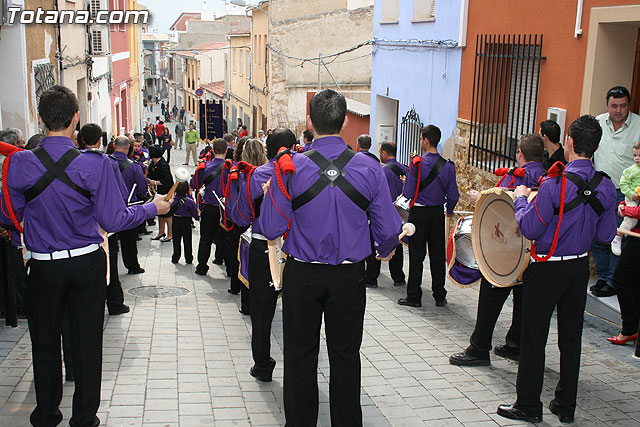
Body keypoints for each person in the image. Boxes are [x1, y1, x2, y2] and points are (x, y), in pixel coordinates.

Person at [0, 85, 171, 427]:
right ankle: (84, 418)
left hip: (43, 267)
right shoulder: (96, 165)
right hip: (86, 263)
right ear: (76, 119)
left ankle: (46, 414)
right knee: (88, 344)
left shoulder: (18, 162)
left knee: (44, 344)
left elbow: (8, 215)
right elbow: (114, 219)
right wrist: (151, 208)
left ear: (40, 118)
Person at [258, 89, 401, 426]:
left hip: (303, 276)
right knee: (346, 357)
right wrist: (385, 248)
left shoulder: (291, 167)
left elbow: (269, 225)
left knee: (300, 357)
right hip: (349, 278)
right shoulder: (369, 167)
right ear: (346, 121)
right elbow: (388, 229)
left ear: (310, 121)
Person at [497, 115, 617, 424]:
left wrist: (521, 200)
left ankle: (528, 405)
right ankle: (565, 406)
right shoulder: (605, 185)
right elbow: (605, 237)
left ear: (571, 143)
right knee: (571, 340)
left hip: (547, 269)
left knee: (534, 339)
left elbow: (531, 228)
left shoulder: (554, 183)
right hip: (579, 270)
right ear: (597, 146)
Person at [449, 134, 546, 367]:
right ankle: (516, 345)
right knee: (523, 300)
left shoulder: (516, 177)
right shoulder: (549, 178)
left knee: (490, 297)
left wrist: (477, 198)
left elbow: (498, 207)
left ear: (520, 153)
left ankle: (479, 348)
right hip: (534, 254)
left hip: (506, 249)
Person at [228, 128, 295, 382]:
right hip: (295, 249)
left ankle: (263, 365)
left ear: (268, 150)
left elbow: (241, 216)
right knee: (297, 311)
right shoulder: (303, 170)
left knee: (262, 312)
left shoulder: (255, 176)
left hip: (262, 248)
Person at [398, 125, 459, 308]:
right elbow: (453, 195)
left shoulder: (417, 164)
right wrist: (449, 210)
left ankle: (414, 296)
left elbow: (408, 192)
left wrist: (407, 181)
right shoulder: (448, 166)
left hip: (419, 213)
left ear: (425, 140)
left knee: (416, 255)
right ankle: (439, 295)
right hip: (437, 213)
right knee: (438, 255)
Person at [591, 86, 640, 297]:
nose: (618, 110)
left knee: (619, 236)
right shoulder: (598, 123)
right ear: (607, 105)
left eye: (623, 106)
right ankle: (603, 277)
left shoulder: (638, 125)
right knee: (597, 235)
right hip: (600, 189)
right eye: (614, 106)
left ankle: (613, 280)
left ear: (629, 105)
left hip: (626, 194)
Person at [369, 142, 409, 287]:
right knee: (397, 244)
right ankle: (398, 277)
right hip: (399, 214)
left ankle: (372, 278)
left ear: (384, 152)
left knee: (376, 244)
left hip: (382, 212)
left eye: (380, 152)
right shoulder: (405, 169)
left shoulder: (382, 171)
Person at [190, 138, 229, 276]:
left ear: (212, 150)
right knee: (225, 237)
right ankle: (225, 265)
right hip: (224, 208)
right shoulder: (230, 167)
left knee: (205, 238)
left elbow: (193, 184)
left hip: (208, 207)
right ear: (226, 151)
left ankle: (201, 266)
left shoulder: (204, 167)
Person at [112, 136, 148, 275]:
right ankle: (132, 266)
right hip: (128, 205)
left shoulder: (105, 162)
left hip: (110, 206)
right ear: (128, 148)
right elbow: (142, 185)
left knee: (112, 242)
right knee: (129, 241)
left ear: (114, 145)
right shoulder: (133, 165)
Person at [611, 141, 640, 255]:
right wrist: (626, 199)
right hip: (632, 197)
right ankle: (619, 236)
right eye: (635, 155)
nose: (637, 158)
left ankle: (620, 233)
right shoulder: (630, 170)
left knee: (631, 217)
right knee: (631, 219)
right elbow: (623, 185)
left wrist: (624, 210)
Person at [148, 144, 174, 242]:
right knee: (160, 213)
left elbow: (167, 181)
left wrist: (154, 182)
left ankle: (170, 234)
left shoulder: (163, 165)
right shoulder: (153, 163)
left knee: (167, 214)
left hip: (166, 192)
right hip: (158, 192)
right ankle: (161, 232)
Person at [170, 182, 199, 264]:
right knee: (187, 241)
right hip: (186, 221)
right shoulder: (190, 201)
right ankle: (189, 258)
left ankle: (175, 257)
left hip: (175, 220)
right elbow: (195, 214)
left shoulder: (173, 200)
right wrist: (198, 217)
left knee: (176, 240)